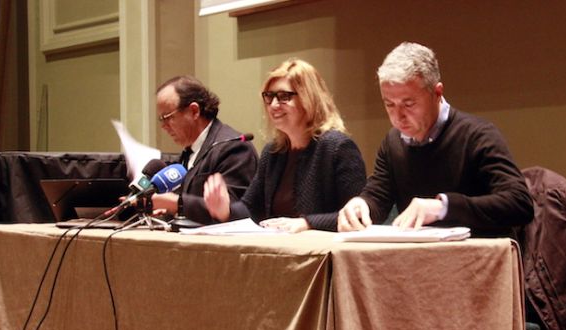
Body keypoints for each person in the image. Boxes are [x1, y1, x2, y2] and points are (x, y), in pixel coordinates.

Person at [337, 42, 533, 237]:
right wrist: (361, 206)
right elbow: (378, 196)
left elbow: (519, 203)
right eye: (389, 104)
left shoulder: (477, 135)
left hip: (478, 259)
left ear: (437, 93)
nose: (398, 116)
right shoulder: (393, 142)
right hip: (420, 259)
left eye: (409, 104)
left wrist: (443, 207)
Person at [204, 58, 366, 233]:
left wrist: (307, 223)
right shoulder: (273, 152)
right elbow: (251, 209)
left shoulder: (337, 147)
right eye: (269, 96)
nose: (273, 105)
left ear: (309, 98)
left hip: (323, 254)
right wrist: (225, 210)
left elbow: (357, 216)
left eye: (283, 97)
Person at [151, 76, 258, 225]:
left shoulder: (234, 148)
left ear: (194, 111)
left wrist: (178, 204)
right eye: (161, 119)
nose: (164, 126)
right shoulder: (188, 152)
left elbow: (234, 211)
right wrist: (169, 211)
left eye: (167, 117)